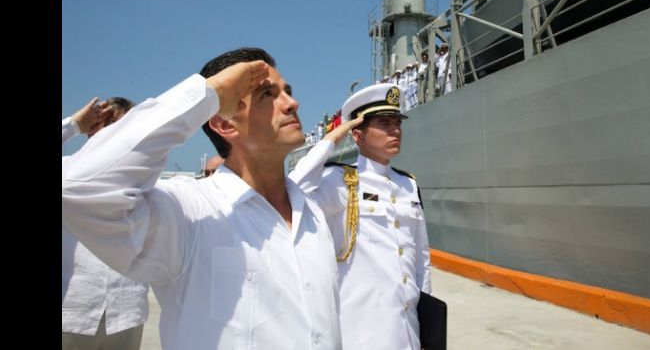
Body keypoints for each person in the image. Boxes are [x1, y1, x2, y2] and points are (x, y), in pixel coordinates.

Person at [62, 47, 343, 350]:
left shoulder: (312, 213)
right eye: (267, 95)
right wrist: (208, 94)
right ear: (224, 124)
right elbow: (77, 188)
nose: (292, 104)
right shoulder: (189, 211)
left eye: (288, 92)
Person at [290, 83, 432, 350]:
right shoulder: (341, 181)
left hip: (408, 331)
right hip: (363, 332)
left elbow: (421, 261)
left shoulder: (408, 184)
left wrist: (426, 325)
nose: (395, 130)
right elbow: (293, 190)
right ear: (357, 134)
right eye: (384, 123)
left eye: (397, 122)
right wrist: (330, 140)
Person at [62, 96, 150, 350]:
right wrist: (75, 125)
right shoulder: (66, 172)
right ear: (93, 129)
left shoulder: (148, 182)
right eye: (108, 123)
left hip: (127, 314)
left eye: (124, 126)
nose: (115, 132)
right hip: (72, 314)